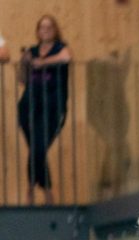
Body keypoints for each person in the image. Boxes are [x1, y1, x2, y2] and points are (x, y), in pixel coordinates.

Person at [17, 15, 71, 205]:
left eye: (49, 27)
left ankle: (33, 191)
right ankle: (46, 192)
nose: (45, 30)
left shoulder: (60, 48)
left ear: (55, 29)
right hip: (30, 106)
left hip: (53, 107)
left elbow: (66, 58)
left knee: (38, 148)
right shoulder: (32, 50)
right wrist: (24, 62)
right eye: (42, 27)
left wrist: (42, 63)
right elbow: (22, 79)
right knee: (36, 149)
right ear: (38, 31)